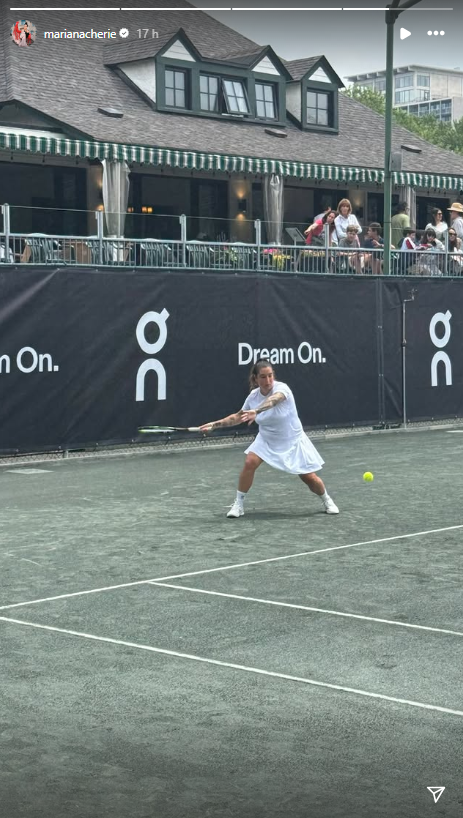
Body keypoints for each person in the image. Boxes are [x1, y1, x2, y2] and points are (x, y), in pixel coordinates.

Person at [199, 359, 339, 518]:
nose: (268, 381)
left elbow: (274, 400)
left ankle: (326, 499)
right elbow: (238, 417)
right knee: (249, 462)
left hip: (292, 440)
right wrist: (214, 425)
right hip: (266, 439)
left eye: (270, 376)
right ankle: (239, 504)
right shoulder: (253, 396)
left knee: (309, 478)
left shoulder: (282, 389)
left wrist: (256, 411)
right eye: (263, 377)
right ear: (255, 378)